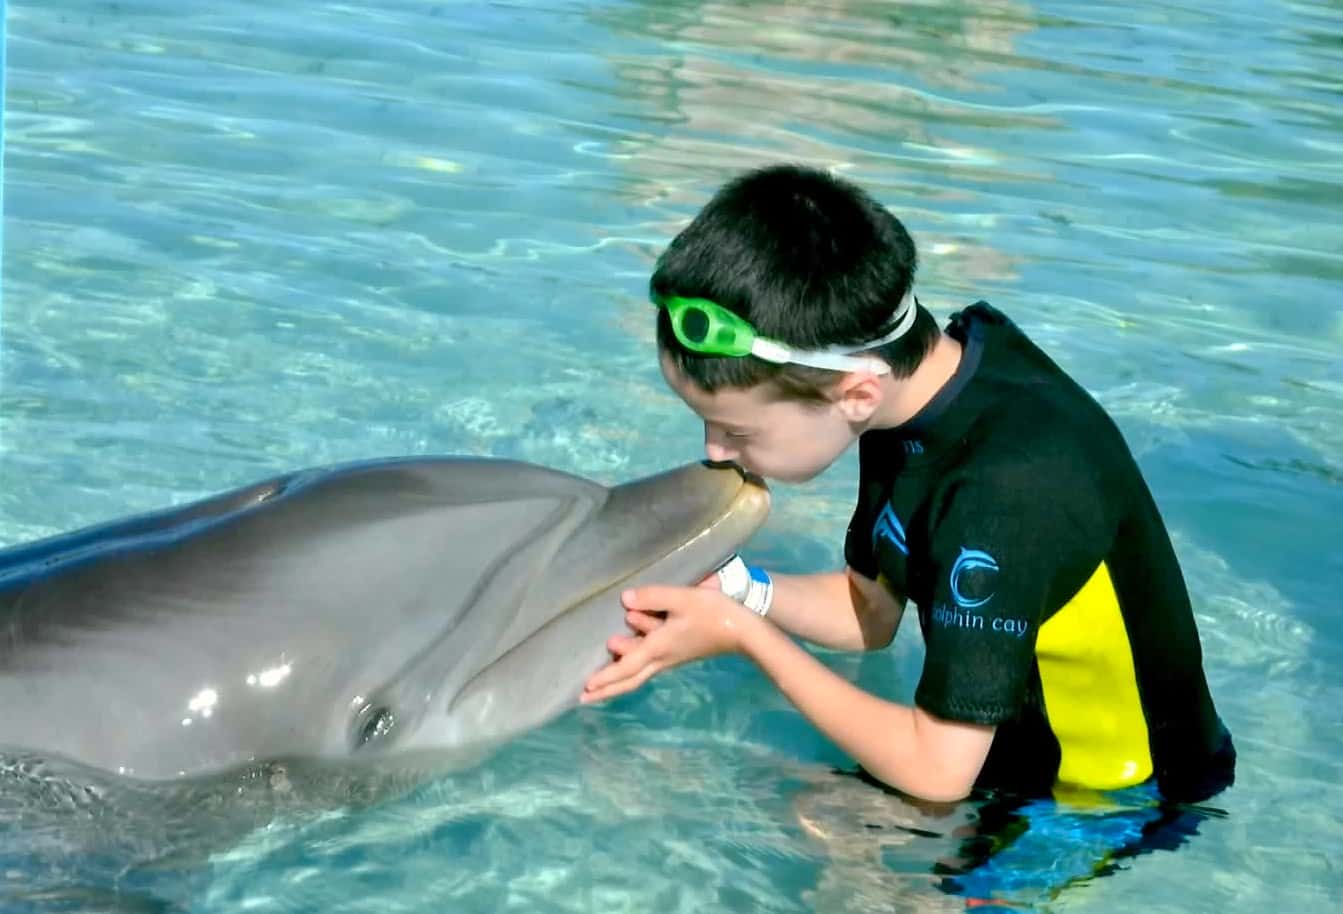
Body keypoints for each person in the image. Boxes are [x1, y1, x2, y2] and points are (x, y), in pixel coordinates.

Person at [580, 163, 1235, 807]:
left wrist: (742, 635)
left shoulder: (1001, 496)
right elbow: (867, 616)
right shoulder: (921, 393)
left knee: (818, 835)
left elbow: (935, 774)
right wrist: (740, 590)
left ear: (856, 392)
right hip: (1002, 755)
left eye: (734, 430)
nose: (714, 451)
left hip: (1107, 800)